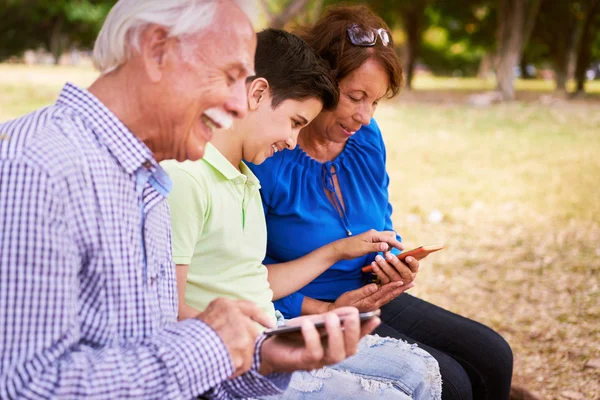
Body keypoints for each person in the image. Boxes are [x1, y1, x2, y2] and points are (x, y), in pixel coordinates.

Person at [0, 2, 379, 399]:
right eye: (231, 76)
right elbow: (24, 387)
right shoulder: (34, 169)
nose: (237, 105)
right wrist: (210, 343)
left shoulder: (148, 178)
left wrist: (262, 356)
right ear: (157, 50)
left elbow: (151, 356)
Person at [248, 5, 514, 400]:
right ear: (320, 81)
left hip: (371, 293)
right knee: (452, 382)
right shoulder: (268, 154)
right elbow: (248, 273)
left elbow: (380, 221)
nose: (364, 115)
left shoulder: (367, 140)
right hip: (310, 308)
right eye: (355, 96)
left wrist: (394, 265)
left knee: (494, 354)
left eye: (375, 101)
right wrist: (321, 308)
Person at [161, 28, 442, 400]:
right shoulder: (186, 177)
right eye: (295, 122)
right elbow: (165, 311)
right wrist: (273, 342)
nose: (293, 142)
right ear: (257, 93)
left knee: (420, 370)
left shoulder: (245, 177)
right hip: (234, 358)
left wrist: (337, 252)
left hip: (272, 328)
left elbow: (251, 279)